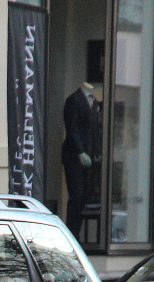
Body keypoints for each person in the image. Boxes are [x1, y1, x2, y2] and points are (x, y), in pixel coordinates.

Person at [62, 82, 101, 236]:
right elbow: (72, 128)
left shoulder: (94, 102)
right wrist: (80, 152)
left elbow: (94, 129)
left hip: (89, 155)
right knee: (76, 195)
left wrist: (97, 151)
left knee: (85, 196)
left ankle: (75, 231)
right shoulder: (74, 100)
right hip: (75, 156)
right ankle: (71, 232)